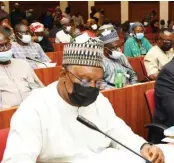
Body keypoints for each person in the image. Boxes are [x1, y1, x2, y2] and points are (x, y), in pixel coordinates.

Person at [2, 34, 165, 163]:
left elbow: (118, 132)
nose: (92, 87)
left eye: (98, 81)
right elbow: (18, 158)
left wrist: (143, 146)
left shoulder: (99, 100)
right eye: (85, 80)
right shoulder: (35, 107)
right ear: (63, 75)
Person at [0, 32, 43, 109]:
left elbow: (37, 87)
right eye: (0, 46)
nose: (5, 48)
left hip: (33, 108)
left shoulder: (23, 64)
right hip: (7, 114)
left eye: (7, 44)